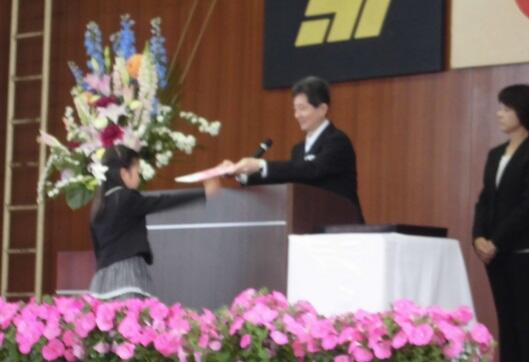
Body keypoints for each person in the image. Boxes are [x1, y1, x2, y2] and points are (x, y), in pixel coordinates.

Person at [472, 84, 529, 362]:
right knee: (506, 323)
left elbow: (528, 206)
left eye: (506, 108)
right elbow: (484, 200)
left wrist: (496, 241)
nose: (499, 113)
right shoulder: (495, 154)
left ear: (524, 112)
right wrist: (478, 236)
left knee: (525, 324)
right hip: (496, 253)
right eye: (500, 107)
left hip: (524, 252)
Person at [89, 144, 220, 300]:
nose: (139, 177)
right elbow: (163, 202)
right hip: (127, 278)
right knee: (132, 316)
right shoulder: (127, 198)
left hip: (102, 282)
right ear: (124, 173)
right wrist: (203, 193)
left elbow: (97, 250)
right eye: (137, 172)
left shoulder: (98, 206)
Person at [230, 76, 363, 220]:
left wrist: (261, 165)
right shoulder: (298, 149)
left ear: (322, 109)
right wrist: (242, 174)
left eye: (302, 108)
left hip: (341, 224)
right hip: (309, 222)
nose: (297, 115)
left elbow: (312, 170)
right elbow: (289, 180)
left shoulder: (337, 141)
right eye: (295, 109)